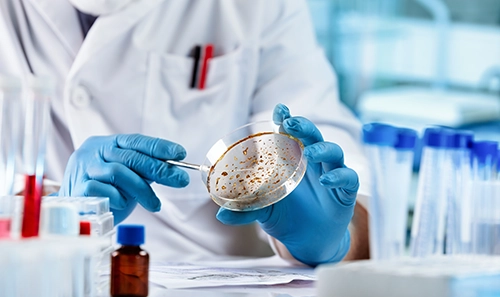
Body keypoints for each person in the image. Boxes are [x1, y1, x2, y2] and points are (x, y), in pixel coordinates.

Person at [0, 0, 370, 266]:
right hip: (42, 277)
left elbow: (329, 148)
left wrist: (335, 240)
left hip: (216, 283)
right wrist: (50, 215)